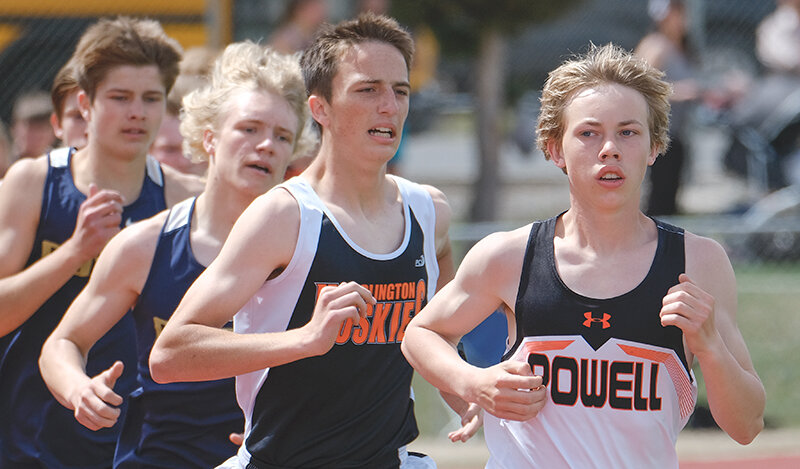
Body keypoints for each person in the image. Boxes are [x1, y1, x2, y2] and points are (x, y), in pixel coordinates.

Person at [401, 43, 765, 468]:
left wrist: (710, 348)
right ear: (555, 149)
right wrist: (473, 382)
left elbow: (747, 425)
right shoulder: (510, 256)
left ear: (654, 147)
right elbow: (420, 334)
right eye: (588, 133)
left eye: (628, 132)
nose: (609, 148)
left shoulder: (697, 263)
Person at [150, 13, 476, 468]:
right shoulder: (284, 215)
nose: (389, 106)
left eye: (400, 91)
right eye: (368, 89)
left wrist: (468, 391)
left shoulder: (429, 213)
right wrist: (303, 340)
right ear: (320, 108)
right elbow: (170, 353)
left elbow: (439, 337)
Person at [39, 41, 313, 468]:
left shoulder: (311, 249)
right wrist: (79, 388)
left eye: (282, 136)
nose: (266, 146)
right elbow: (63, 341)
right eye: (249, 128)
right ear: (209, 138)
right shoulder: (145, 246)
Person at [0, 16, 201, 468]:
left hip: (140, 444)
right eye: (120, 97)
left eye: (151, 99)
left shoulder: (182, 198)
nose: (138, 112)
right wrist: (75, 251)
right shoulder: (36, 182)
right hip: (29, 438)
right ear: (84, 104)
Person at [635, 0, 698, 216]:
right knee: (659, 195)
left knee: (671, 192)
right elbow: (641, 87)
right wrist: (681, 92)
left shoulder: (680, 46)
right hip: (658, 133)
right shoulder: (655, 45)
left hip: (676, 133)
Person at [50, 58, 89, 150]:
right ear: (58, 124)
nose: (89, 129)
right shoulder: (40, 164)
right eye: (79, 117)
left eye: (98, 116)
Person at [10, 89, 58, 161]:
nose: (36, 135)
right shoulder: (3, 161)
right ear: (14, 127)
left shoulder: (60, 162)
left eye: (42, 129)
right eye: (30, 128)